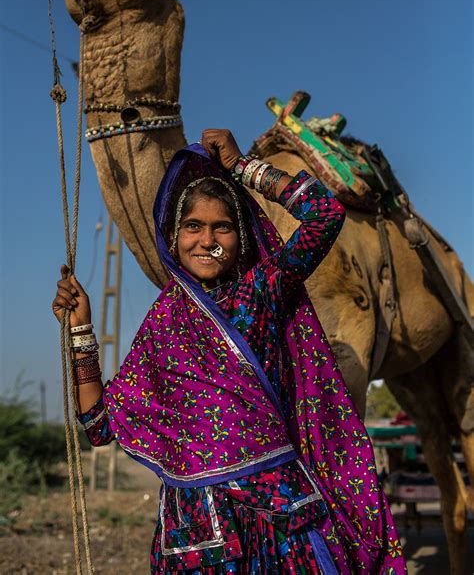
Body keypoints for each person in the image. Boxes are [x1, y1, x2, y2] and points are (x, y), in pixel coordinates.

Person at [53, 129, 406, 574]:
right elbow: (100, 425)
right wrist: (82, 328)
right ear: (173, 236)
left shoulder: (260, 292)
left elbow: (324, 214)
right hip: (197, 529)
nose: (207, 240)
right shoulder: (162, 326)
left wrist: (244, 168)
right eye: (193, 227)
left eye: (222, 227)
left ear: (241, 238)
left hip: (280, 516)